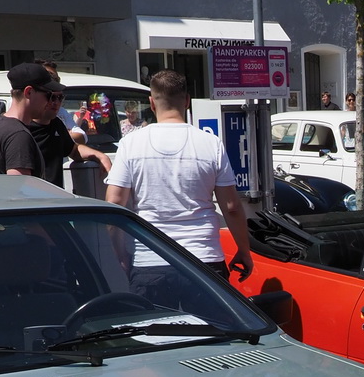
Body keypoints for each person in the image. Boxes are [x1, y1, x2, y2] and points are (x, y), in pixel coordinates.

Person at [105, 70, 253, 282]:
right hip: (204, 258)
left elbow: (114, 203)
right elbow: (231, 207)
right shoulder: (211, 143)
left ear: (152, 103)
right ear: (187, 101)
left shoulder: (130, 144)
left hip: (150, 259)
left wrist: (119, 255)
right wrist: (244, 250)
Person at [0, 62, 63, 178]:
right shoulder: (19, 135)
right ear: (29, 92)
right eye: (48, 95)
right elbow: (19, 191)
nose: (50, 102)